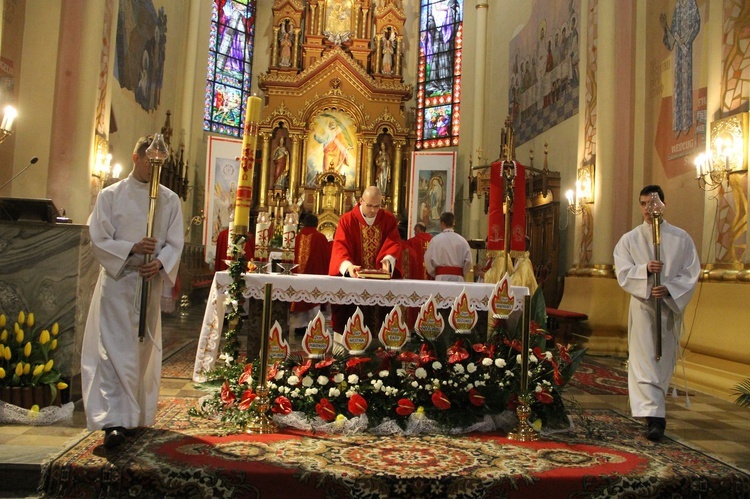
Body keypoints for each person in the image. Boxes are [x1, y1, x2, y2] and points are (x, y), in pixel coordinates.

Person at [81, 135, 184, 449]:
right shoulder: (111, 195)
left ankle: (133, 416)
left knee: (139, 350)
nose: (155, 169)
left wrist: (161, 263)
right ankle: (113, 420)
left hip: (147, 284)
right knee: (112, 351)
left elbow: (175, 242)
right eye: (150, 161)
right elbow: (98, 237)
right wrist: (131, 249)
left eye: (160, 164)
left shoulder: (169, 200)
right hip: (118, 283)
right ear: (135, 157)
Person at [613, 185, 700, 441]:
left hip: (668, 311)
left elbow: (690, 273)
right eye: (643, 204)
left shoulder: (681, 238)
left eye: (652, 203)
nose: (648, 209)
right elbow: (622, 272)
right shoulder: (629, 240)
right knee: (644, 361)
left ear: (663, 203)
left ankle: (655, 411)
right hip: (643, 308)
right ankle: (655, 417)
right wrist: (645, 270)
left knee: (662, 360)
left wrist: (671, 289)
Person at [328, 186, 402, 332]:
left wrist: (389, 259)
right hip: (354, 281)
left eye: (377, 206)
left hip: (379, 283)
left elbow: (393, 242)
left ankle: (380, 351)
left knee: (380, 323)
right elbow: (340, 247)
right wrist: (348, 267)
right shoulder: (347, 220)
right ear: (361, 201)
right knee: (350, 320)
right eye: (369, 206)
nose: (374, 210)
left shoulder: (387, 219)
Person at [290, 213, 331, 335]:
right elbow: (326, 257)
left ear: (303, 223)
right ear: (317, 224)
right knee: (314, 299)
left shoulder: (297, 237)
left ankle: (299, 326)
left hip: (298, 276)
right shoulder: (320, 237)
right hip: (315, 275)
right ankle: (314, 326)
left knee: (299, 298)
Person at [424, 212, 472, 282]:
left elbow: (428, 259)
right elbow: (468, 261)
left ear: (442, 223)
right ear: (453, 223)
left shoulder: (435, 240)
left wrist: (436, 273)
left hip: (441, 277)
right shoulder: (462, 241)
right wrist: (462, 272)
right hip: (458, 278)